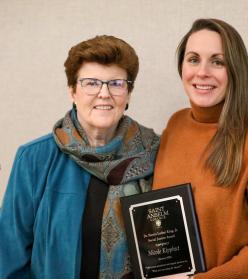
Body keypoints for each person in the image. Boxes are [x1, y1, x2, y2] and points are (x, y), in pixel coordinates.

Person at [0, 35, 159, 278]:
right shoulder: (33, 160)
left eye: (116, 83)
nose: (104, 94)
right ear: (73, 91)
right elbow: (9, 262)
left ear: (128, 93)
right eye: (91, 83)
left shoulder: (155, 154)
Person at [153, 18, 248, 278]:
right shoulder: (175, 125)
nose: (202, 72)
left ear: (235, 70)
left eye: (218, 61)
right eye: (193, 59)